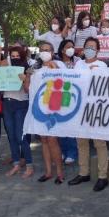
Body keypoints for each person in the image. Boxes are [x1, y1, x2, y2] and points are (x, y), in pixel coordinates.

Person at [69, 37, 109, 191]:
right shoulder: (78, 64)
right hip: (79, 108)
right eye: (87, 47)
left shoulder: (102, 65)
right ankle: (83, 172)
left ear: (98, 50)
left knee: (99, 143)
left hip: (96, 108)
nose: (89, 49)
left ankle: (102, 176)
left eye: (92, 47)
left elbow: (107, 87)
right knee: (81, 143)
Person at [0, 46, 34, 178]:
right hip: (7, 103)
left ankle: (29, 165)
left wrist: (25, 79)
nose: (15, 58)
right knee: (11, 136)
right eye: (13, 55)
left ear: (22, 56)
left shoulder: (28, 68)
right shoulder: (7, 64)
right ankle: (16, 164)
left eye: (18, 55)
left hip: (21, 103)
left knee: (20, 136)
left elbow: (29, 89)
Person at [28, 41, 65, 183]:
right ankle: (48, 171)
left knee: (52, 140)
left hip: (53, 107)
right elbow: (28, 89)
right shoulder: (34, 67)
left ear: (52, 51)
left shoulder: (59, 64)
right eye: (42, 50)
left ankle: (60, 173)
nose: (44, 52)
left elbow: (64, 81)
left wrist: (54, 69)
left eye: (47, 50)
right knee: (43, 140)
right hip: (38, 107)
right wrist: (26, 78)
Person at [57, 39, 78, 164]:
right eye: (68, 47)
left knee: (70, 125)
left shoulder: (78, 62)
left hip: (74, 96)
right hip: (59, 95)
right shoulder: (56, 62)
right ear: (62, 49)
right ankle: (64, 151)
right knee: (60, 125)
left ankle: (72, 152)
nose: (71, 49)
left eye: (73, 47)